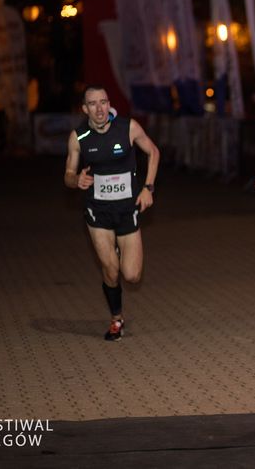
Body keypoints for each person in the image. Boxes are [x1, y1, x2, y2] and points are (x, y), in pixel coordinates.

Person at [64, 85, 160, 341]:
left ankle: (118, 252)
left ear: (109, 104)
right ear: (85, 109)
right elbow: (68, 175)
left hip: (127, 209)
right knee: (110, 270)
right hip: (98, 212)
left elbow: (153, 152)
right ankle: (116, 319)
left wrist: (148, 188)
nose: (100, 109)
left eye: (103, 102)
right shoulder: (78, 137)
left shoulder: (128, 128)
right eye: (93, 104)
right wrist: (76, 180)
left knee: (132, 275)